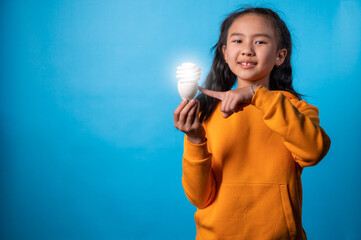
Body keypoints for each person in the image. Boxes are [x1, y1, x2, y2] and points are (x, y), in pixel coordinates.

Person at [173, 7, 331, 240]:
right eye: (238, 40)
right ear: (225, 54)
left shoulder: (295, 110)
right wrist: (196, 139)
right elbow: (200, 197)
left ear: (280, 56)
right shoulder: (207, 113)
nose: (247, 50)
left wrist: (257, 94)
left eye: (260, 42)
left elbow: (314, 151)